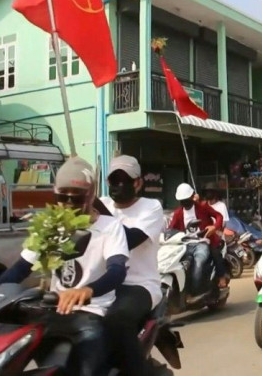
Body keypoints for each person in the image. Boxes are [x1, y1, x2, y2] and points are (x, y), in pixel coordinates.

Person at [0, 157, 129, 376]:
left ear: (91, 195)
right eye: (62, 197)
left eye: (76, 199)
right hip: (54, 310)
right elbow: (20, 269)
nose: (67, 204)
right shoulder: (50, 225)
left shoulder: (110, 227)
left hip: (92, 312)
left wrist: (87, 290)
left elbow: (117, 271)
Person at [100, 155, 165, 376]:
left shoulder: (151, 207)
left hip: (139, 285)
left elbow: (128, 239)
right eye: (113, 180)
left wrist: (94, 210)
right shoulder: (101, 204)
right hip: (102, 282)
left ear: (138, 182)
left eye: (124, 180)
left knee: (116, 320)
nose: (118, 186)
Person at [168, 183, 226, 298]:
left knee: (201, 260)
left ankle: (199, 289)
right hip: (185, 244)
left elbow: (219, 216)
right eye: (182, 200)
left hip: (203, 242)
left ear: (192, 197)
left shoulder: (203, 207)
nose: (184, 202)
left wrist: (214, 227)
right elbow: (171, 229)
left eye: (186, 199)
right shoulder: (178, 213)